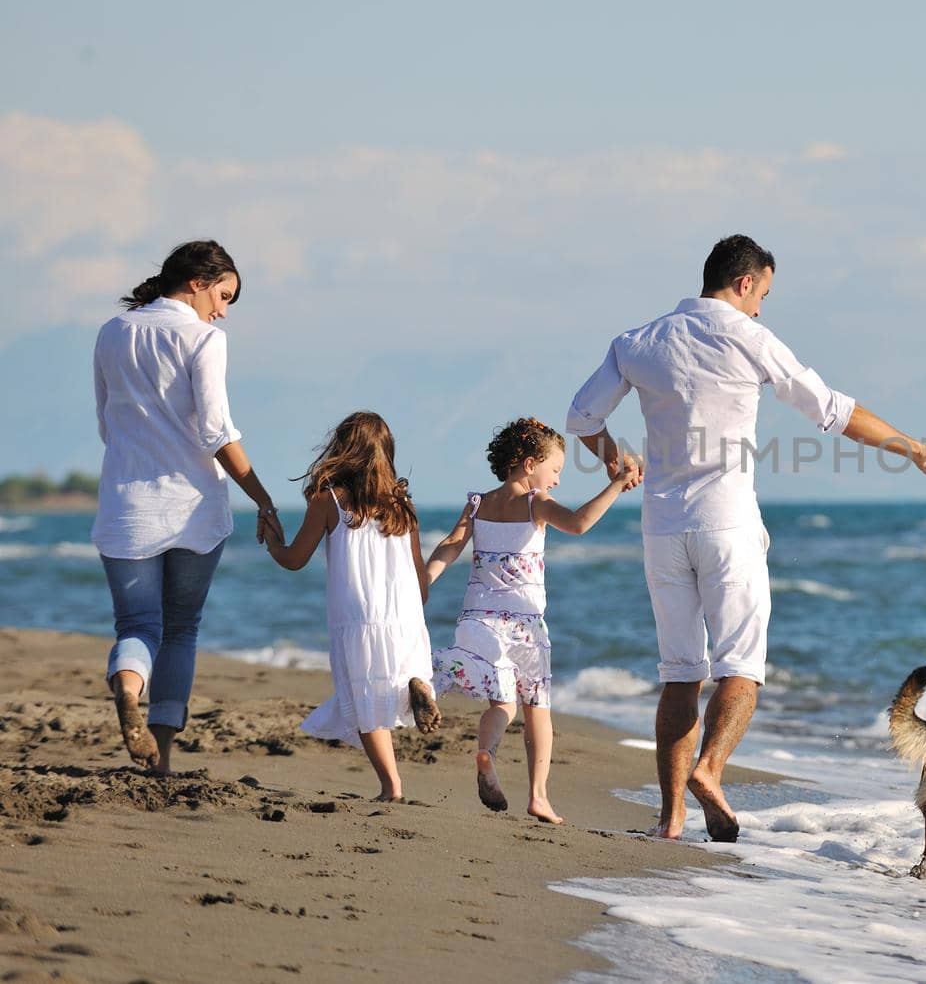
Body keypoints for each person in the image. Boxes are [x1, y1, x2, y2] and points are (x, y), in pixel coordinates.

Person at [566, 234, 926, 840]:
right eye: (763, 295)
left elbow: (582, 418)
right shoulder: (749, 338)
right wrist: (914, 449)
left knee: (679, 672)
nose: (761, 310)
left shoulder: (638, 342)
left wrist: (618, 460)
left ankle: (670, 820)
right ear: (745, 282)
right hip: (727, 524)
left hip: (661, 527)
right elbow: (834, 411)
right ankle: (712, 773)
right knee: (741, 666)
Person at [93, 240, 285, 774]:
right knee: (180, 629)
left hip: (126, 504)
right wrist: (263, 499)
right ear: (198, 282)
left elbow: (107, 423)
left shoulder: (113, 333)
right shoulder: (204, 338)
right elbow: (215, 432)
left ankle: (130, 690)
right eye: (224, 295)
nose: (223, 310)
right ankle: (161, 762)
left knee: (136, 625)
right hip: (192, 508)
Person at [427, 417, 641, 823]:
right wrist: (615, 484)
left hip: (477, 618)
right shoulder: (534, 502)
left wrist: (427, 578)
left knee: (501, 701)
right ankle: (539, 796)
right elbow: (578, 524)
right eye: (555, 470)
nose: (557, 480)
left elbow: (451, 545)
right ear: (529, 465)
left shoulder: (478, 503)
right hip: (525, 627)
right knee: (537, 709)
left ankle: (486, 752)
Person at [264, 411, 441, 801]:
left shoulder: (330, 500)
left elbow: (295, 559)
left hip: (358, 615)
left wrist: (273, 541)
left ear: (342, 451)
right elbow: (418, 579)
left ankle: (391, 786)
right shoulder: (402, 504)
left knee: (365, 703)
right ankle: (419, 684)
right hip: (405, 612)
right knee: (397, 680)